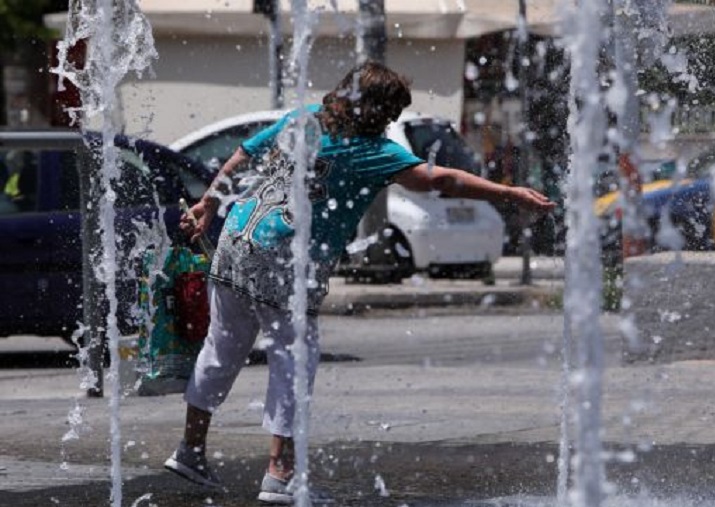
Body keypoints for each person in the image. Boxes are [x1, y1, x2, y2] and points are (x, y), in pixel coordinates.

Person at [164, 61, 555, 505]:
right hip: (288, 257)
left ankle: (190, 450)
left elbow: (241, 157)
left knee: (222, 346)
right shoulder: (372, 150)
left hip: (238, 239)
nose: (390, 123)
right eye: (389, 114)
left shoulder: (302, 118)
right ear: (375, 112)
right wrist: (507, 193)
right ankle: (280, 473)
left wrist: (209, 207)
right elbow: (439, 179)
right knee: (293, 360)